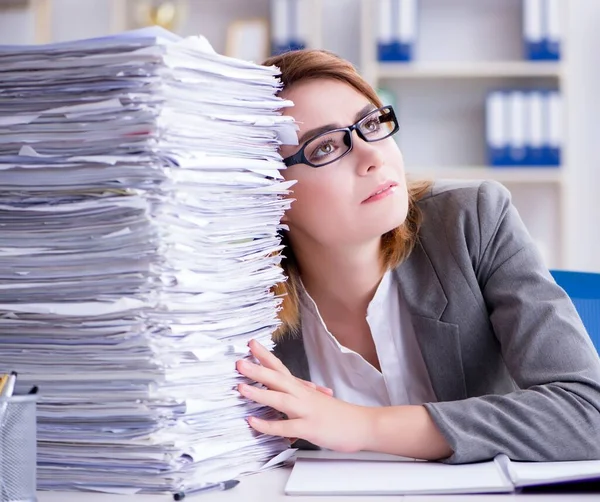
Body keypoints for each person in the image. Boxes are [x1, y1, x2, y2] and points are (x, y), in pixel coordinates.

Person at [235, 49, 600, 464]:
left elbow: (587, 412)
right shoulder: (241, 299)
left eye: (371, 123)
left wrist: (360, 425)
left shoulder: (472, 221)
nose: (373, 157)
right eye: (325, 148)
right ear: (268, 191)